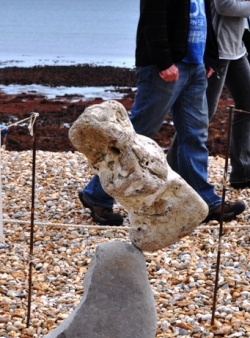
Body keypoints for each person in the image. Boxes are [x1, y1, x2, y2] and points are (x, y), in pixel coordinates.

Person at [78, 0, 246, 226]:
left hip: (196, 65)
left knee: (195, 135)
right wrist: (163, 61)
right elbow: (152, 18)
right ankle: (96, 196)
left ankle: (205, 201)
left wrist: (210, 57)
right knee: (136, 135)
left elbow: (205, 17)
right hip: (166, 68)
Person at [208, 0, 250, 188]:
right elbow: (224, 6)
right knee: (203, 114)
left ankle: (242, 172)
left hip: (237, 49)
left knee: (248, 105)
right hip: (219, 51)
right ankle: (174, 167)